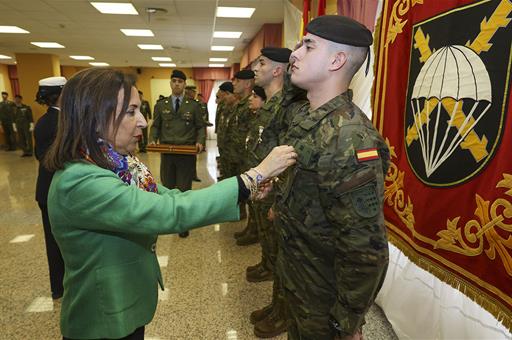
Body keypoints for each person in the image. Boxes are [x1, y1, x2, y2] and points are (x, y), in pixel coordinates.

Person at [43, 67, 297, 340]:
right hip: (104, 319)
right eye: (130, 112)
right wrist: (252, 177)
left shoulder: (118, 164)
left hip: (125, 305)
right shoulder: (82, 181)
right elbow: (170, 212)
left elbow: (170, 197)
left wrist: (244, 191)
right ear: (94, 118)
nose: (142, 121)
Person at [273, 15, 390, 339]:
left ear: (337, 60)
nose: (294, 54)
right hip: (299, 282)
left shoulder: (350, 138)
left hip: (324, 303)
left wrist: (346, 321)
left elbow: (366, 251)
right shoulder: (308, 118)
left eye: (308, 46)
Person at [245, 47, 293, 338]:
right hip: (265, 189)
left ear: (278, 70)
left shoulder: (286, 107)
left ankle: (283, 313)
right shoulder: (271, 105)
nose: (256, 68)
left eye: (261, 63)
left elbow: (288, 158)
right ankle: (277, 306)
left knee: (283, 256)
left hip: (276, 193)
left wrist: (278, 199)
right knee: (274, 251)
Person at [149, 70, 205, 238]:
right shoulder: (161, 105)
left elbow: (200, 126)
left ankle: (183, 223)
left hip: (186, 153)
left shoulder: (193, 105)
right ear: (170, 83)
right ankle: (169, 219)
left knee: (184, 188)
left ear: (184, 84)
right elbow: (156, 126)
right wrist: (152, 139)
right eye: (174, 81)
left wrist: (200, 141)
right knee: (167, 186)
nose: (177, 84)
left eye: (180, 81)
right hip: (167, 153)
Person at [33, 76, 67, 300]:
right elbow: (45, 157)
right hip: (52, 191)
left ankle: (62, 284)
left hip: (56, 190)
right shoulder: (52, 122)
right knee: (55, 242)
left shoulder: (58, 119)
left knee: (60, 240)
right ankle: (59, 288)